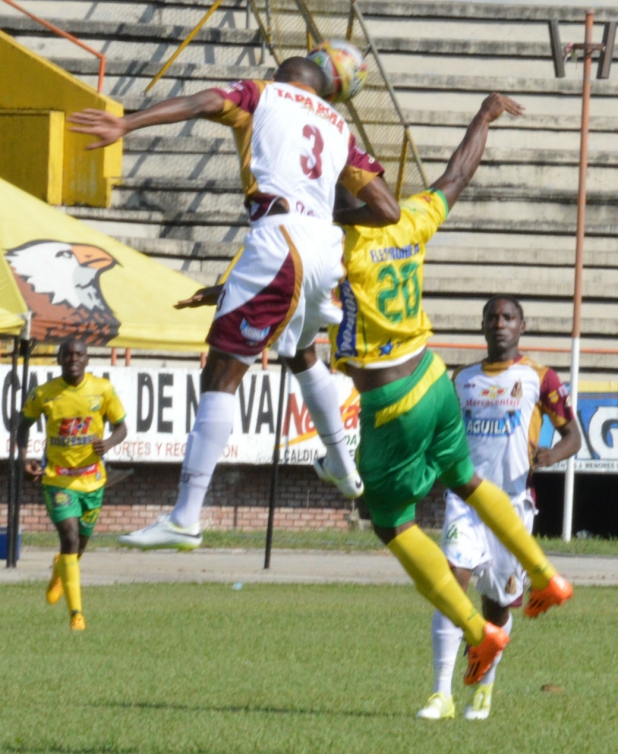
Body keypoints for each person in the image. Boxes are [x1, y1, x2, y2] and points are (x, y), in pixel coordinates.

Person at [70, 57, 400, 550]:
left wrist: (128, 123)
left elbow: (200, 102)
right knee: (300, 351)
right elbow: (388, 209)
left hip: (279, 239)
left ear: (283, 76)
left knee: (221, 373)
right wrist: (322, 218)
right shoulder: (338, 127)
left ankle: (185, 517)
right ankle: (341, 463)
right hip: (324, 251)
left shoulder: (261, 93)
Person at [330, 93, 574, 687]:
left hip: (392, 399)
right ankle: (547, 575)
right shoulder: (410, 220)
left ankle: (476, 631)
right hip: (435, 377)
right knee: (465, 479)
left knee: (389, 521)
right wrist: (483, 117)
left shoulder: (336, 246)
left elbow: (284, 276)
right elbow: (457, 174)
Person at [416, 295, 581, 720]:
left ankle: (484, 687)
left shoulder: (540, 378)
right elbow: (441, 432)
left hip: (512, 505)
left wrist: (551, 454)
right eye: (493, 317)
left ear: (522, 326)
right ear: (483, 325)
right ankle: (440, 695)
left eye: (508, 317)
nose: (500, 323)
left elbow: (573, 436)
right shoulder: (461, 378)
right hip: (466, 500)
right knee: (451, 585)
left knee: (496, 603)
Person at [17, 337, 127, 630]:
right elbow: (23, 425)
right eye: (67, 354)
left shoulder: (102, 389)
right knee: (69, 537)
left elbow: (122, 427)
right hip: (57, 479)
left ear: (87, 359)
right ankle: (76, 615)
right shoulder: (44, 394)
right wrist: (24, 459)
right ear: (59, 359)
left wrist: (109, 443)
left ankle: (60, 570)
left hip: (92, 480)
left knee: (78, 547)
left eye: (79, 354)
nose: (73, 359)